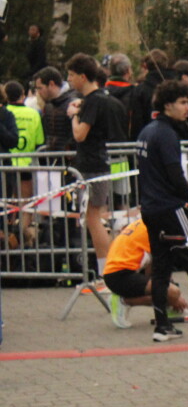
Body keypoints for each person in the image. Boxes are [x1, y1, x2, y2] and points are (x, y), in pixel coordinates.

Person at [137, 80, 188, 341]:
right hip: (170, 207)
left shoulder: (147, 132)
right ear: (168, 105)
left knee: (161, 266)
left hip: (150, 208)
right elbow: (175, 174)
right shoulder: (166, 134)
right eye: (183, 102)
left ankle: (162, 326)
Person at [66, 53, 126, 277]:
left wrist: (74, 115)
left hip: (93, 165)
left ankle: (106, 269)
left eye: (71, 75)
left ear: (82, 76)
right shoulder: (97, 99)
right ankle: (108, 268)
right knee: (95, 217)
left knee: (93, 218)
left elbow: (80, 135)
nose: (69, 80)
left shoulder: (93, 101)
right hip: (96, 164)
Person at [102, 218, 188, 331]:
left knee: (166, 290)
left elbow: (153, 267)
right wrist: (174, 298)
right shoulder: (157, 228)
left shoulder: (147, 223)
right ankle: (123, 301)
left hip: (117, 273)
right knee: (173, 292)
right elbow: (161, 267)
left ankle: (167, 307)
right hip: (120, 275)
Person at [4, 79, 44, 243]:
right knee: (26, 202)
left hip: (6, 164)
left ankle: (8, 234)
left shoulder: (4, 112)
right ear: (22, 94)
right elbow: (39, 140)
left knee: (7, 201)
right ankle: (22, 234)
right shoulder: (33, 114)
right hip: (26, 164)